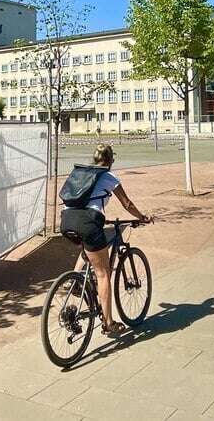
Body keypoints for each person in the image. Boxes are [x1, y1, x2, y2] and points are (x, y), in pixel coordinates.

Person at [59, 143, 152, 335]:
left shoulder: (80, 173)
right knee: (103, 274)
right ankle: (108, 323)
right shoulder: (109, 177)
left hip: (67, 219)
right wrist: (142, 217)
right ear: (110, 161)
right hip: (88, 222)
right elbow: (127, 203)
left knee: (89, 249)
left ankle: (75, 281)